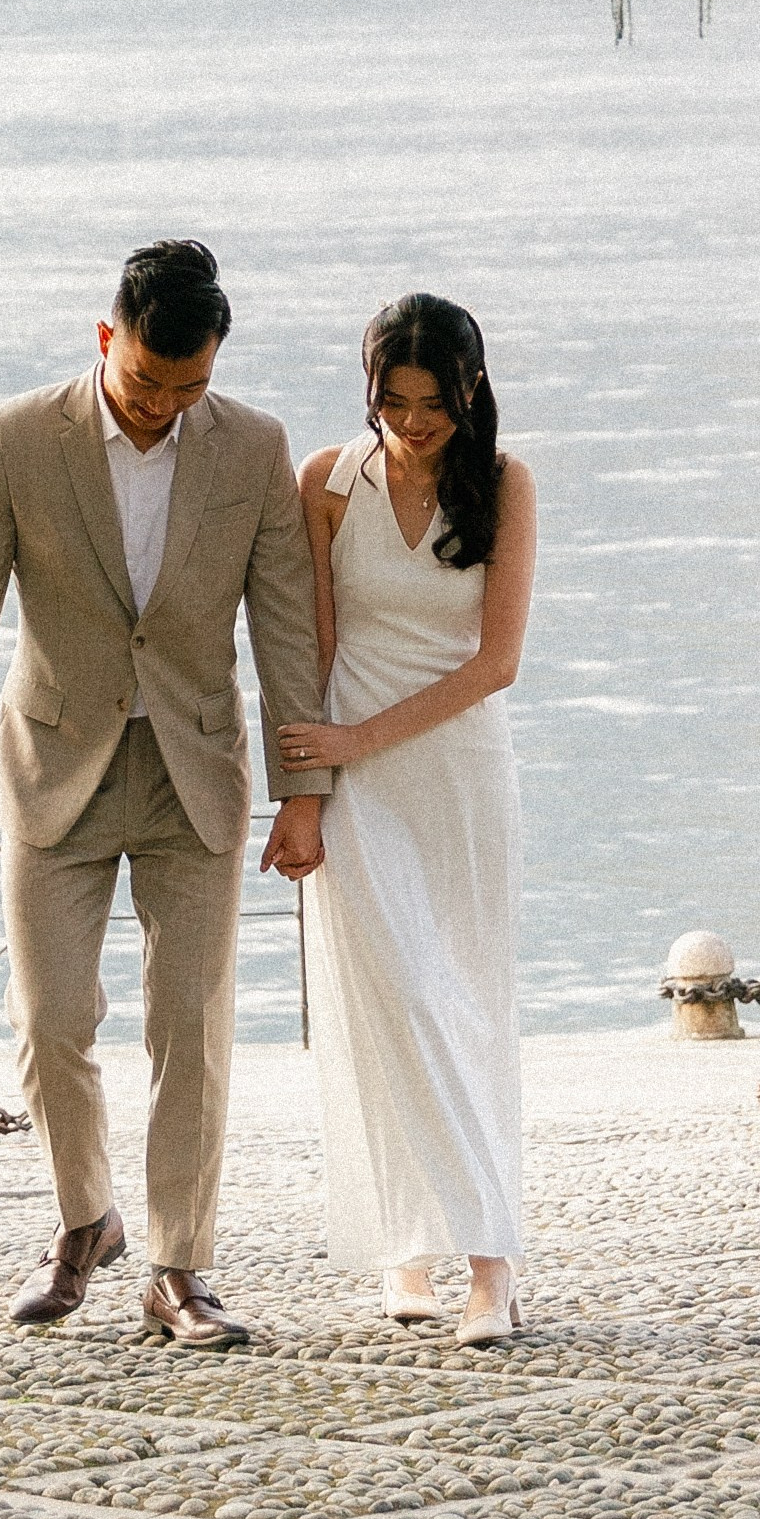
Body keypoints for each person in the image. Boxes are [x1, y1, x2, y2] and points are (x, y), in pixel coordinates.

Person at [0, 240, 327, 1344]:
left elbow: (282, 624)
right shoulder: (17, 436)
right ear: (106, 342)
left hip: (196, 768)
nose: (162, 408)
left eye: (189, 388)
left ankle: (178, 1268)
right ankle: (85, 1222)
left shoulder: (253, 448)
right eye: (146, 383)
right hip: (55, 766)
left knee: (191, 1024)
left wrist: (304, 790)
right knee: (50, 1021)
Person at [268, 293, 537, 1346]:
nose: (413, 424)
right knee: (392, 1002)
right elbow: (311, 650)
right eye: (393, 401)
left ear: (470, 391)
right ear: (368, 388)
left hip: (459, 777)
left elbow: (496, 663)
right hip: (357, 785)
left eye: (433, 403)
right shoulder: (328, 484)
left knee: (464, 1003)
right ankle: (407, 1245)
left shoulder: (505, 485)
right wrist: (305, 794)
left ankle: (492, 1264)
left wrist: (355, 743)